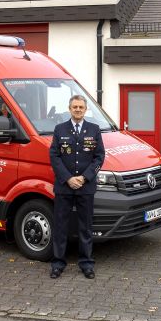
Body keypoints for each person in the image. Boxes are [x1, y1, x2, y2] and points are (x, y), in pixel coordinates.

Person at [48, 95, 105, 279]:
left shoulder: (94, 130)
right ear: (69, 109)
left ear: (86, 109)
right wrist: (68, 178)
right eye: (75, 107)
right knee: (60, 226)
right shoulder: (59, 129)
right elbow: (54, 157)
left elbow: (99, 157)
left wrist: (84, 177)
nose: (78, 110)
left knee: (85, 227)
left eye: (81, 107)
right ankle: (58, 263)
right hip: (64, 187)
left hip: (85, 187)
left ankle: (86, 263)